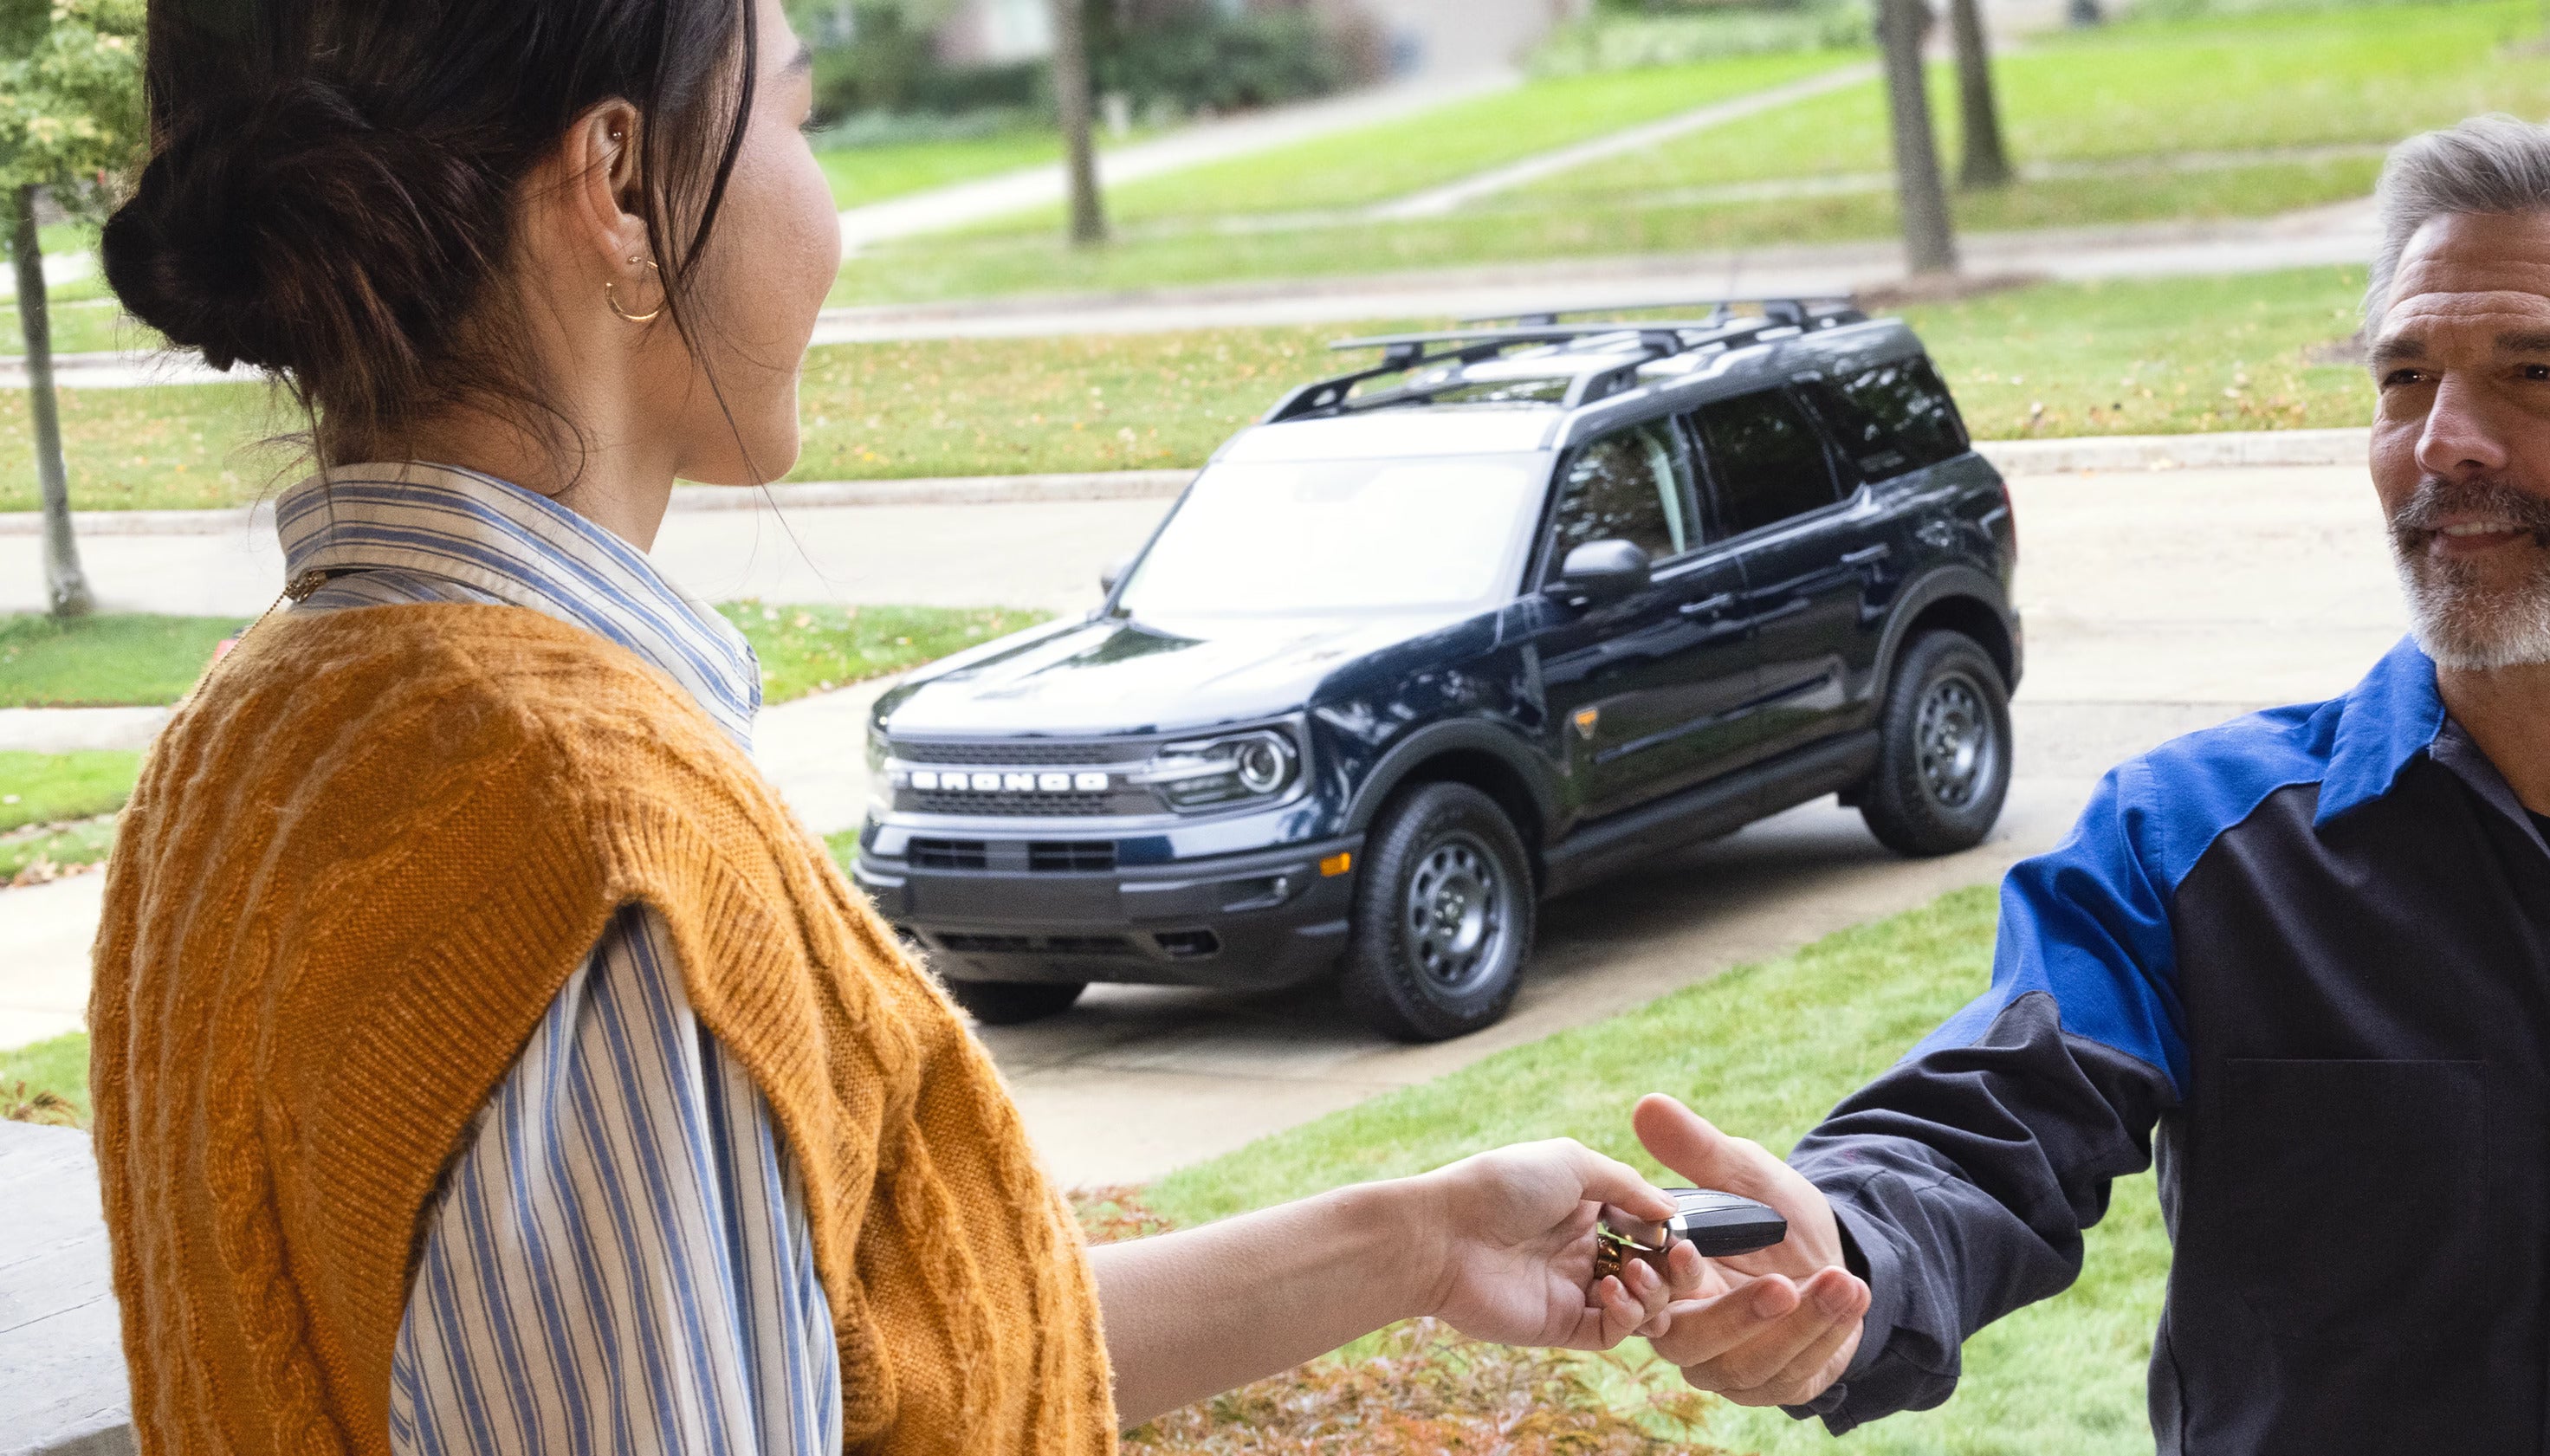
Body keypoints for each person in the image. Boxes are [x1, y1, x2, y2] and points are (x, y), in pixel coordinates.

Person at [87, 2, 1673, 1451]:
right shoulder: (585, 848)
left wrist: (1418, 1240)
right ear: (622, 189)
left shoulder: (250, 746)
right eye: (800, 116)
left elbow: (848, 1357)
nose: (825, 201)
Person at [1621, 116, 2550, 1453]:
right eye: (2404, 376)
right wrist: (1839, 1251)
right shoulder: (2192, 844)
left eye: (2537, 373)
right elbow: (1989, 1125)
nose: (2446, 441)